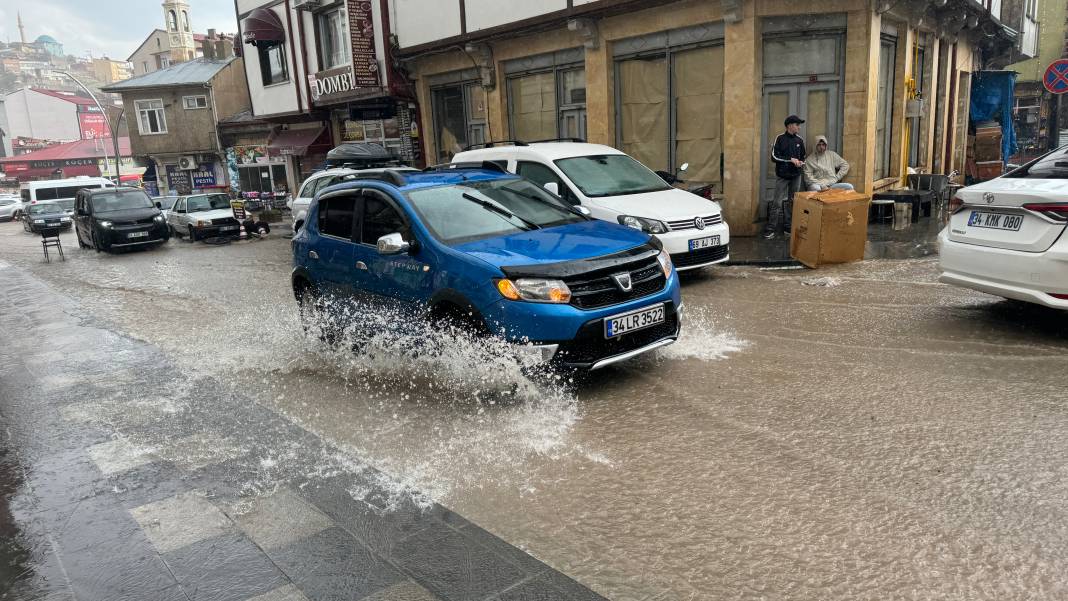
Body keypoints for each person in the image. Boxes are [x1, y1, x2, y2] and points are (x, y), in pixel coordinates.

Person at [766, 115, 806, 239]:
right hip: (782, 176)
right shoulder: (780, 138)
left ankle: (788, 227)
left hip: (796, 176)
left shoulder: (800, 140)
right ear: (789, 126)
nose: (799, 127)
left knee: (792, 202)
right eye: (797, 124)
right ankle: (770, 228)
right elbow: (774, 157)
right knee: (777, 202)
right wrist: (790, 160)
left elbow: (803, 156)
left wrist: (800, 162)